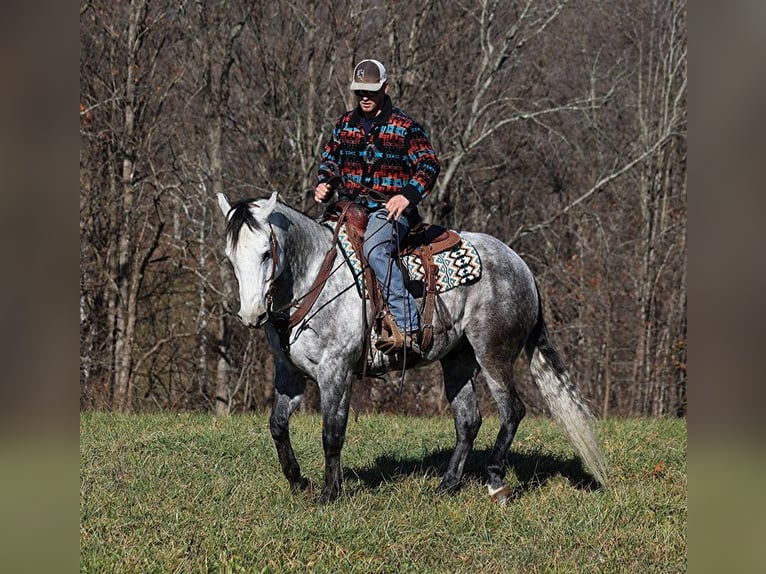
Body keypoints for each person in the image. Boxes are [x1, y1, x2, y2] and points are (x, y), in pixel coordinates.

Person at [314, 58, 440, 355]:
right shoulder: (344, 125)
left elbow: (428, 165)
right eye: (360, 92)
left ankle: (408, 325)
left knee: (374, 249)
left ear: (386, 87)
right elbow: (330, 161)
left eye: (371, 91)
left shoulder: (406, 127)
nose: (365, 97)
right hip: (350, 207)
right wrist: (326, 182)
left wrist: (407, 195)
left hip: (390, 211)